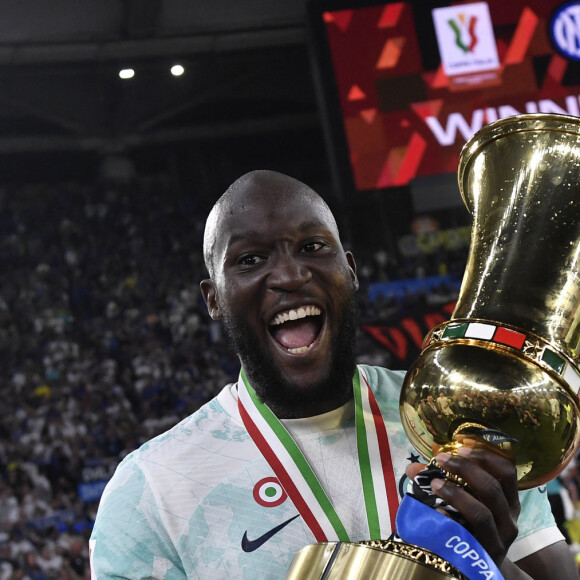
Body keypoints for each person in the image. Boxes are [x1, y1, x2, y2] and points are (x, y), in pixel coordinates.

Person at [89, 170, 577, 579]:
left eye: (312, 246)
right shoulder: (150, 492)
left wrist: (487, 566)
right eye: (250, 259)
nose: (289, 275)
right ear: (213, 297)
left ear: (350, 269)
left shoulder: (458, 421)